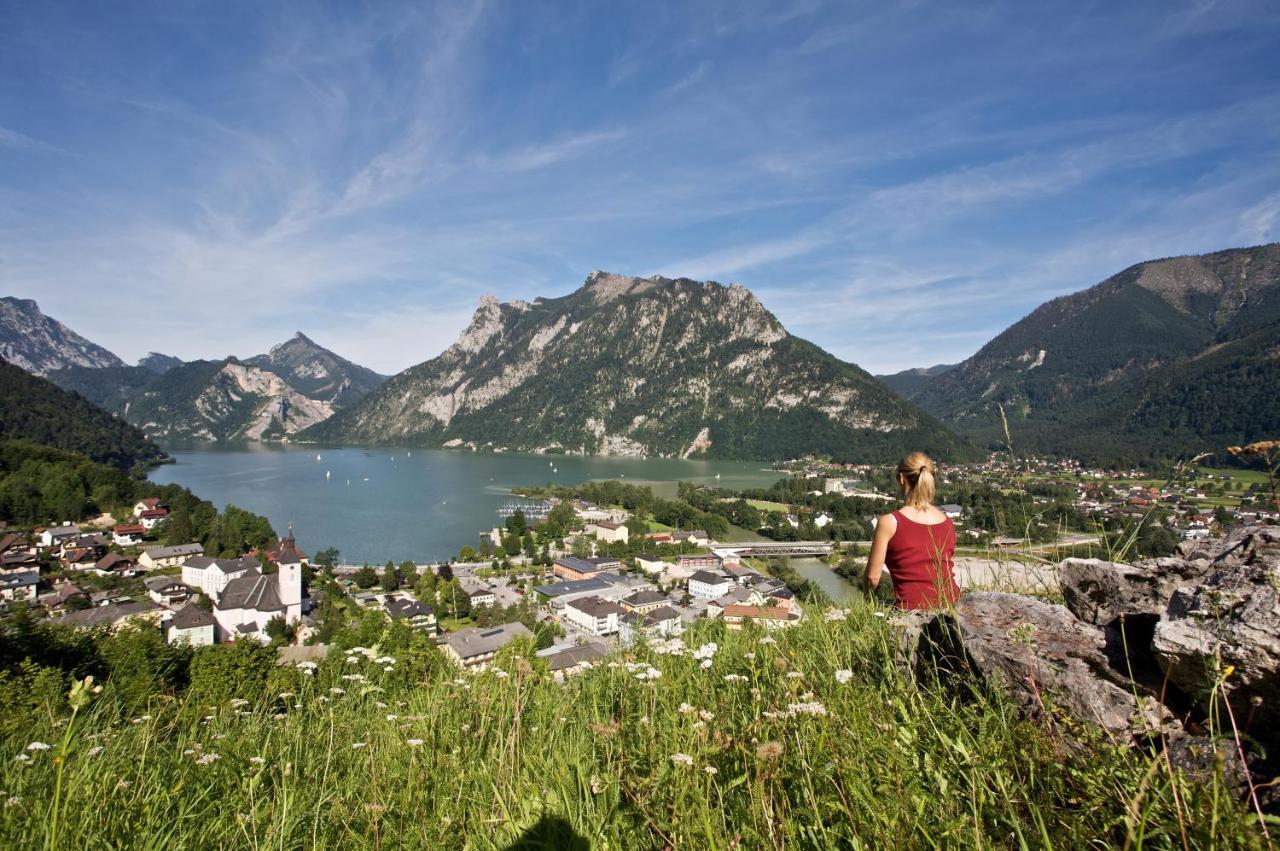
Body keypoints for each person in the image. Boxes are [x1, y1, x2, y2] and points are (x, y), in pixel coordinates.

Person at [864, 451, 961, 610]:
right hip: (952, 608)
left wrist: (867, 603)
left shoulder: (889, 522)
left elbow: (873, 577)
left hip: (910, 611)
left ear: (901, 478)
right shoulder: (947, 522)